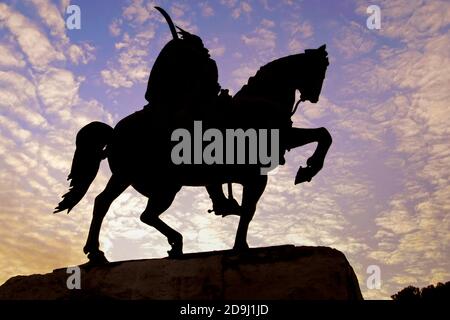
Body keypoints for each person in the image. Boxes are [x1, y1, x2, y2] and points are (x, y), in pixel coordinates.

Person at [144, 7, 239, 216]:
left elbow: (209, 84)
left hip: (200, 103)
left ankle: (219, 196)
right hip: (184, 107)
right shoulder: (181, 58)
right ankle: (218, 198)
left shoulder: (200, 61)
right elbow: (189, 86)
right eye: (199, 46)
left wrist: (218, 95)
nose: (204, 49)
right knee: (209, 141)